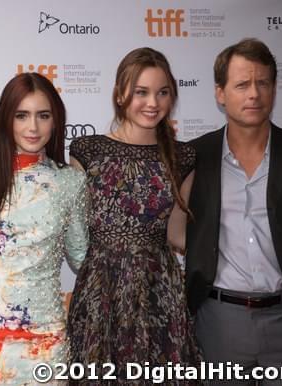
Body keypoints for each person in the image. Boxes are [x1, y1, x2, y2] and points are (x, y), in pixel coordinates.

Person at [67, 47, 200, 383]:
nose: (152, 102)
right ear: (120, 93)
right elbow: (74, 233)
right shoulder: (87, 151)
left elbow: (176, 234)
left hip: (160, 294)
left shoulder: (183, 157)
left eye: (162, 93)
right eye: (141, 92)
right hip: (101, 296)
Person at [186, 38, 282, 384]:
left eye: (263, 83)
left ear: (273, 88)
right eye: (242, 84)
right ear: (220, 93)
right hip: (218, 324)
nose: (254, 94)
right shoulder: (193, 158)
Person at [0, 72, 88, 384]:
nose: (33, 127)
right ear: (7, 119)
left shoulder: (70, 182)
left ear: (56, 121)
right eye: (22, 116)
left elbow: (81, 257)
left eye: (43, 116)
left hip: (46, 335)